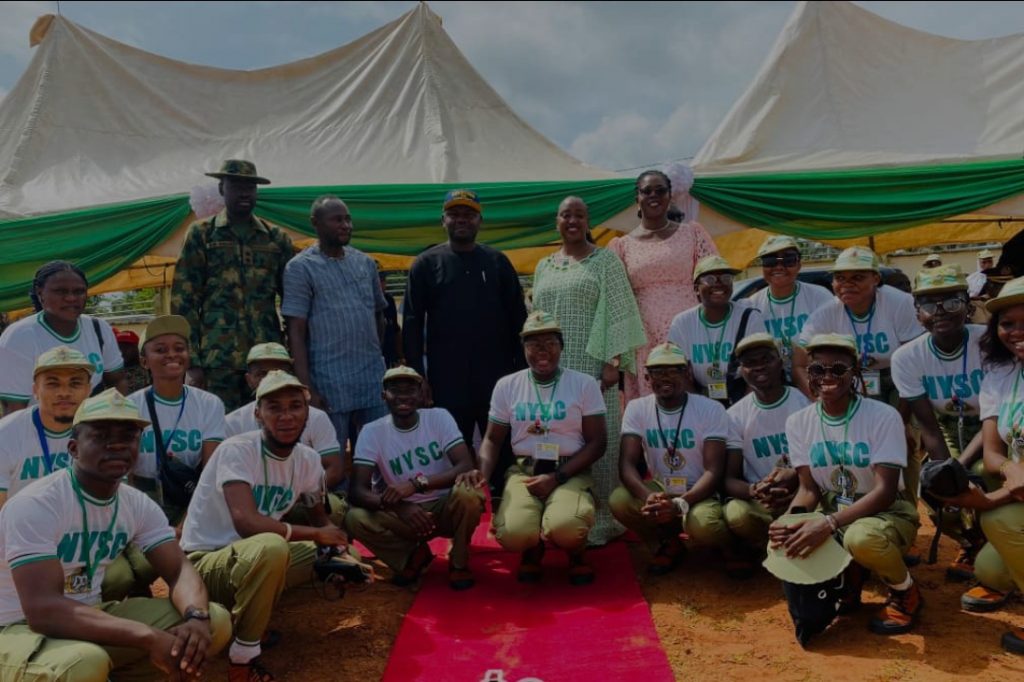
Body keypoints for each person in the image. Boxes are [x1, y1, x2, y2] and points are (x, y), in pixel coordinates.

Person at [0, 388, 231, 681]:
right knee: (84, 663)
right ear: (73, 448)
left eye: (128, 436)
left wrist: (196, 617)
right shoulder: (38, 503)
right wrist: (147, 637)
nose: (117, 446)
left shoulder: (136, 503)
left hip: (88, 615)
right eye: (100, 436)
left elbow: (178, 569)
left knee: (214, 622)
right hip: (15, 627)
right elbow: (43, 610)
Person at [180, 370, 348, 681]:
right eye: (275, 407)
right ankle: (243, 657)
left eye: (295, 406)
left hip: (250, 557)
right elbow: (246, 523)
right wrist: (316, 534)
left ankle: (249, 611)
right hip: (204, 563)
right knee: (271, 546)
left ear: (307, 413)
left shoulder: (308, 459)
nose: (286, 416)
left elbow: (319, 518)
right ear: (258, 414)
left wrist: (338, 552)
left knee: (333, 559)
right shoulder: (237, 449)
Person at [771, 333, 921, 635]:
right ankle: (849, 585)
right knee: (796, 536)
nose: (827, 376)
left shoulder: (882, 416)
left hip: (886, 511)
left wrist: (827, 523)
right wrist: (791, 522)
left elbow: (885, 491)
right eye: (817, 369)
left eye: (838, 369)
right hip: (835, 508)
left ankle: (906, 592)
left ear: (854, 373)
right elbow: (809, 489)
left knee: (860, 538)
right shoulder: (798, 422)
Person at [532, 196, 647, 546]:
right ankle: (560, 512)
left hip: (593, 368)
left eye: (579, 215)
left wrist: (614, 363)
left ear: (588, 222)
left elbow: (622, 311)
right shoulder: (544, 266)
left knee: (599, 440)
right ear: (557, 221)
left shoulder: (605, 262)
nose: (572, 220)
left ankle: (601, 518)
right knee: (557, 438)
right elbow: (535, 317)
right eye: (565, 214)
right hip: (552, 369)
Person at [463, 311, 607, 585]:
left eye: (550, 343)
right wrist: (481, 473)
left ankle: (577, 552)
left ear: (561, 346)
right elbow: (492, 439)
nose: (542, 350)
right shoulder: (507, 385)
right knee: (513, 533)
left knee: (566, 527)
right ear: (523, 348)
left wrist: (557, 477)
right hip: (524, 471)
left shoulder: (584, 384)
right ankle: (532, 549)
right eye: (533, 344)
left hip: (569, 470)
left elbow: (598, 442)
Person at [402, 189, 528, 490]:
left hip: (497, 378)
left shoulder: (498, 262)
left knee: (501, 448)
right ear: (442, 219)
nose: (461, 219)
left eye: (468, 214)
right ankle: (453, 513)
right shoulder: (425, 264)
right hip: (446, 378)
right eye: (454, 213)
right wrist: (419, 377)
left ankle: (504, 508)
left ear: (479, 220)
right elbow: (411, 323)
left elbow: (519, 321)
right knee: (449, 450)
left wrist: (520, 374)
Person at [937, 275, 1024, 654]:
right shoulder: (1002, 374)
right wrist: (1010, 470)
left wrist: (990, 500)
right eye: (1008, 323)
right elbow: (991, 451)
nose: (1017, 332)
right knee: (991, 569)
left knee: (996, 520)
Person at [171, 159, 293, 412]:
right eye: (236, 185)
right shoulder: (202, 234)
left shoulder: (275, 238)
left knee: (269, 427)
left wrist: (290, 356)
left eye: (251, 186)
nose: (245, 192)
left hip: (267, 359)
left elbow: (293, 302)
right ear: (221, 189)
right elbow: (184, 301)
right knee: (220, 432)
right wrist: (192, 363)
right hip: (217, 360)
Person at [346, 367, 484, 590]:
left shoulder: (439, 417)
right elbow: (357, 491)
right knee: (355, 518)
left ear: (421, 394)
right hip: (404, 513)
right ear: (384, 396)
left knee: (468, 492)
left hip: (445, 506)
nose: (403, 396)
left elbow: (464, 466)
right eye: (394, 390)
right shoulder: (372, 431)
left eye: (410, 389)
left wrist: (416, 484)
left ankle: (459, 562)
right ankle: (413, 556)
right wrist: (400, 507)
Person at [890, 265, 987, 579]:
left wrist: (963, 466)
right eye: (929, 305)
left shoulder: (987, 342)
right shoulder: (906, 358)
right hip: (946, 425)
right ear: (918, 314)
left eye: (952, 302)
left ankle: (1000, 542)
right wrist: (949, 472)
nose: (941, 311)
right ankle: (971, 542)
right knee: (934, 488)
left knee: (985, 475)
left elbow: (997, 417)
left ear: (968, 305)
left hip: (993, 426)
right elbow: (929, 427)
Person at [609, 342, 734, 576]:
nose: (665, 377)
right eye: (657, 371)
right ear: (646, 377)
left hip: (700, 491)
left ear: (686, 371)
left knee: (703, 525)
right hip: (661, 489)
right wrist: (652, 499)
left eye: (673, 370)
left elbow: (714, 470)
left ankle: (730, 546)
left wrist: (680, 504)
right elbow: (626, 464)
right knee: (620, 500)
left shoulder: (710, 408)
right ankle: (669, 543)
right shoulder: (637, 408)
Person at [283, 195, 388, 451]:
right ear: (315, 223)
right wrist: (306, 388)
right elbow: (295, 330)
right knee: (332, 458)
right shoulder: (300, 268)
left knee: (381, 454)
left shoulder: (364, 263)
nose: (346, 225)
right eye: (337, 219)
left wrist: (377, 356)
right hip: (328, 382)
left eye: (348, 219)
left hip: (371, 379)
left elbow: (378, 314)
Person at [608, 170, 718, 401]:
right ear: (636, 198)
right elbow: (613, 304)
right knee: (652, 407)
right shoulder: (622, 246)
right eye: (646, 191)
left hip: (692, 332)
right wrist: (614, 358)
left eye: (660, 190)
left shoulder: (693, 234)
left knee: (698, 401)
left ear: (670, 196)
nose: (653, 195)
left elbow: (715, 278)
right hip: (643, 339)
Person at [126, 316, 226, 525]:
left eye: (179, 348)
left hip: (191, 503)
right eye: (160, 350)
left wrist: (186, 524)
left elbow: (211, 472)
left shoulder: (209, 404)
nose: (172, 354)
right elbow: (126, 474)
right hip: (140, 505)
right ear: (144, 361)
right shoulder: (128, 407)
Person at [794, 246, 923, 404]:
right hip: (850, 379)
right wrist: (819, 398)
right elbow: (799, 363)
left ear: (875, 278)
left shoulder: (900, 302)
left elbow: (915, 360)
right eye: (840, 278)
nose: (847, 284)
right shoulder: (825, 313)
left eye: (858, 277)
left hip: (899, 376)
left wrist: (905, 415)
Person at [723, 333, 810, 560]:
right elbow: (728, 478)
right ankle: (766, 548)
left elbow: (823, 463)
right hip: (762, 501)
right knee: (736, 514)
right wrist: (755, 490)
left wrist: (796, 481)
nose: (759, 367)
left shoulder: (804, 402)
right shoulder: (734, 416)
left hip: (804, 494)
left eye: (766, 359)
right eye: (750, 363)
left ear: (780, 362)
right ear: (742, 371)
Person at [0, 261, 125, 414]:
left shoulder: (98, 329)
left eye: (79, 291)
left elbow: (117, 380)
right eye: (61, 291)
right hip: (40, 433)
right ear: (40, 293)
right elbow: (13, 408)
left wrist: (121, 419)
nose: (71, 298)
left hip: (91, 431)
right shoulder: (20, 336)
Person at [225, 343, 344, 495]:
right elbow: (227, 474)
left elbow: (334, 469)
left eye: (279, 371)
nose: (271, 378)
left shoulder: (316, 417)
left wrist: (295, 496)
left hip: (304, 497)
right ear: (249, 380)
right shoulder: (232, 422)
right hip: (252, 499)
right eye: (262, 373)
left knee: (334, 510)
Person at [0, 346, 93, 506]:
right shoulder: (6, 434)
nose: (64, 392)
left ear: (88, 390)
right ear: (35, 390)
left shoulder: (104, 433)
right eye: (53, 384)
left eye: (75, 383)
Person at [667, 255, 764, 406]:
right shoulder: (682, 323)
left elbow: (760, 370)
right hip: (698, 396)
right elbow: (677, 374)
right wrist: (699, 408)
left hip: (742, 395)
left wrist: (744, 410)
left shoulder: (750, 317)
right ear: (696, 288)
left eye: (726, 278)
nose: (719, 284)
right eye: (710, 279)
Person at [748, 235, 834, 379]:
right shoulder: (751, 305)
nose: (779, 266)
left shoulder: (820, 296)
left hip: (816, 376)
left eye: (788, 260)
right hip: (772, 382)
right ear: (762, 267)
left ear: (799, 265)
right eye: (770, 261)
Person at [377, 266, 403, 368]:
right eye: (378, 281)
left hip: (390, 357)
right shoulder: (364, 302)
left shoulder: (389, 300)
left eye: (383, 281)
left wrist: (400, 356)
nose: (382, 284)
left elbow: (396, 330)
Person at [114, 329, 149, 395]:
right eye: (118, 346)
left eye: (127, 346)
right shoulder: (110, 375)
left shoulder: (149, 371)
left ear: (137, 347)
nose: (122, 350)